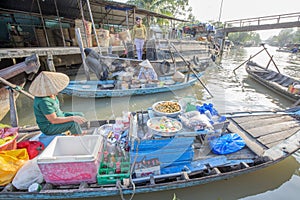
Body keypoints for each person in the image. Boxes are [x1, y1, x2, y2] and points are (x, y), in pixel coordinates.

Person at [29, 71, 88, 146]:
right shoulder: (44, 102)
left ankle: (76, 131)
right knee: (73, 123)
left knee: (80, 114)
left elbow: (58, 112)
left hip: (60, 115)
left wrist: (74, 117)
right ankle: (77, 138)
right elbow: (53, 120)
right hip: (49, 127)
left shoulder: (52, 95)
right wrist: (72, 118)